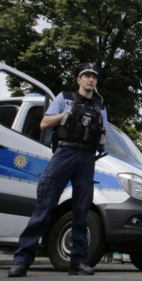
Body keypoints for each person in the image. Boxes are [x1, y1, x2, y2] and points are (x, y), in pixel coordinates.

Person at [8, 63, 109, 277]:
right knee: (45, 206)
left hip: (87, 158)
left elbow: (104, 135)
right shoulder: (64, 97)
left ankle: (78, 262)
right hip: (64, 153)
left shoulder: (100, 106)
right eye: (86, 76)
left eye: (94, 77)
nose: (90, 79)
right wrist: (67, 114)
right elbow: (45, 123)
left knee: (82, 211)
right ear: (78, 80)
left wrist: (98, 133)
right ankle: (22, 260)